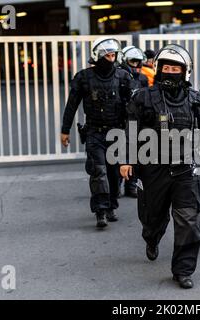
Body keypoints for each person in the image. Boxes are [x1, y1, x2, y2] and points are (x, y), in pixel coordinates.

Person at [120, 44, 200, 289]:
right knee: (152, 218)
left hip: (186, 168)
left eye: (176, 68)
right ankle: (151, 239)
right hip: (152, 167)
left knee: (189, 220)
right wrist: (126, 158)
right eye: (166, 67)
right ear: (159, 69)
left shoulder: (198, 100)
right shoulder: (142, 97)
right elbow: (130, 128)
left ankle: (183, 270)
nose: (171, 71)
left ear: (185, 71)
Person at [61, 37, 133, 229]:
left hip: (117, 132)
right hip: (94, 132)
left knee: (113, 173)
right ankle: (100, 210)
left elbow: (134, 106)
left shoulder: (123, 77)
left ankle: (111, 206)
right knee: (98, 171)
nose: (111, 58)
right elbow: (72, 104)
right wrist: (64, 130)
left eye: (113, 55)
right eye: (107, 55)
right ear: (97, 56)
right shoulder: (84, 77)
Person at [119, 46, 149, 198]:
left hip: (136, 119)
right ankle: (116, 184)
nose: (136, 65)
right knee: (118, 152)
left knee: (135, 151)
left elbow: (147, 97)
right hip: (120, 118)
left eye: (138, 62)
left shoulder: (142, 78)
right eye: (133, 62)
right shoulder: (119, 76)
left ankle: (131, 185)